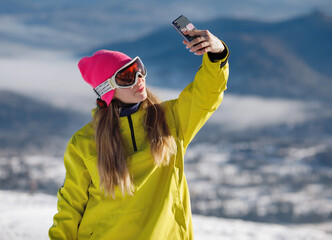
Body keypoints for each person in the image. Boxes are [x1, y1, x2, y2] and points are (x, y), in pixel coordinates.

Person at [49, 29, 229, 240]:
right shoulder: (84, 143)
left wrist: (217, 54)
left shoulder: (170, 120)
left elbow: (206, 95)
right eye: (127, 76)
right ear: (107, 90)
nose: (139, 78)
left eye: (138, 69)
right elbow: (71, 206)